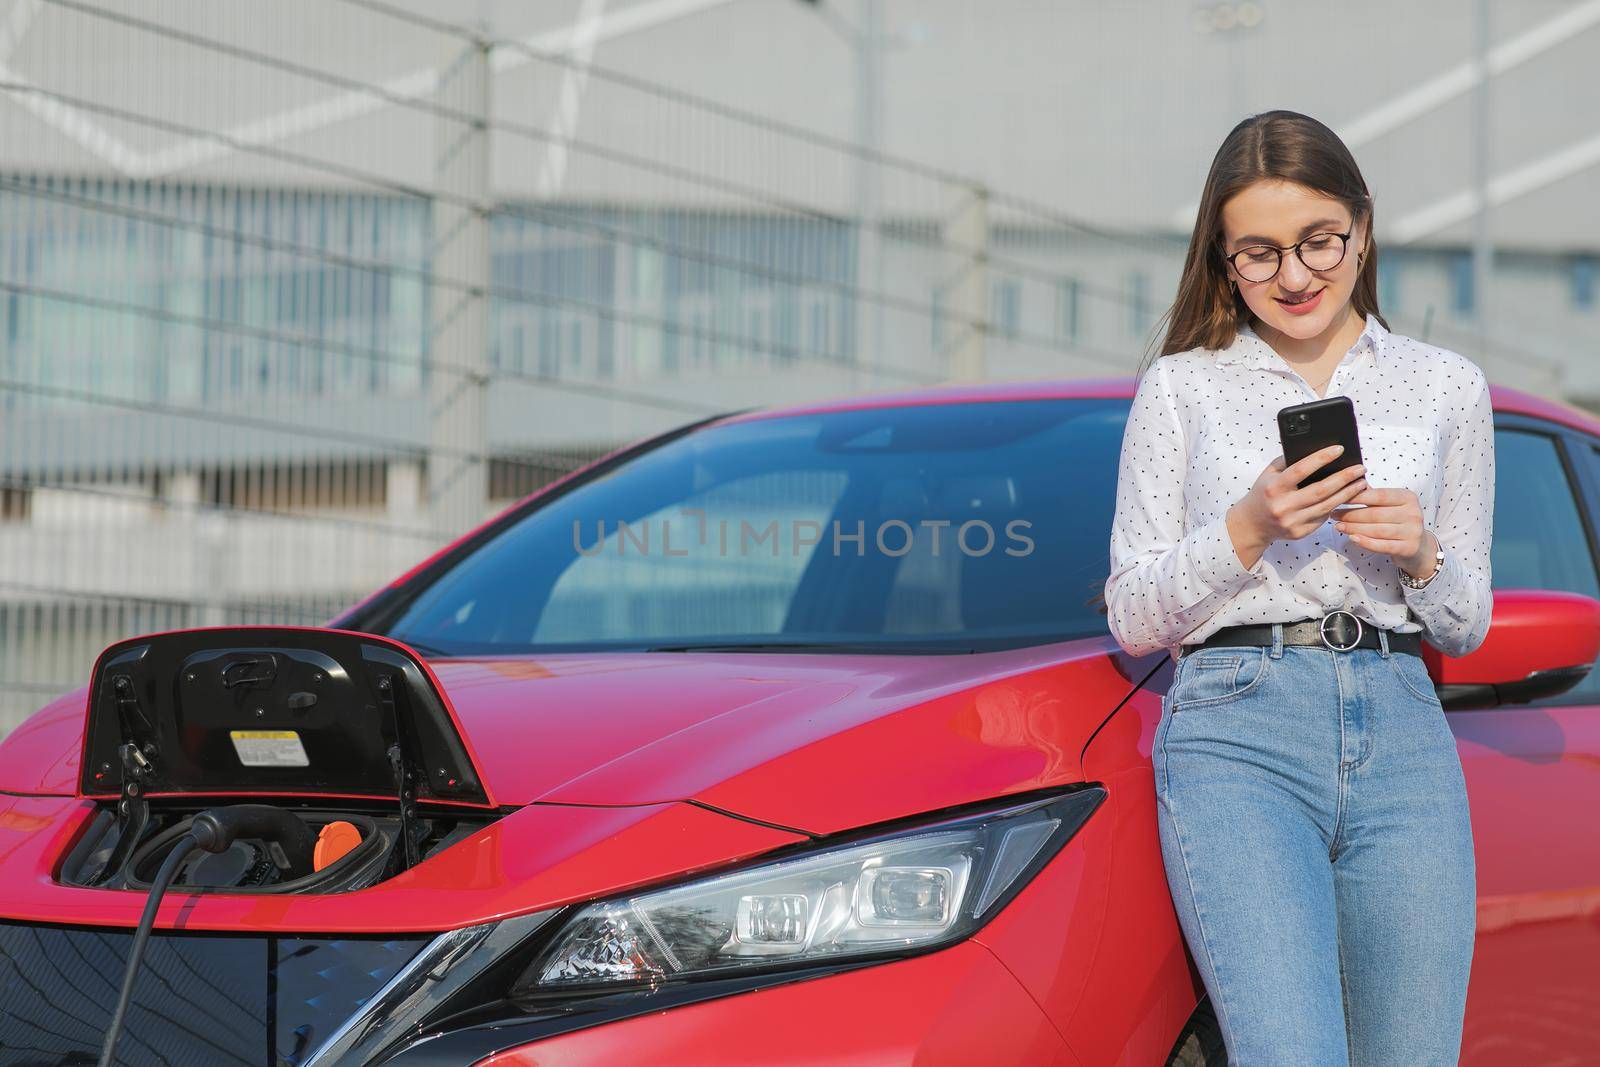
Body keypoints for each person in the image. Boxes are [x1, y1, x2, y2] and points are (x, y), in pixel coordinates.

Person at [1103, 109, 1493, 1066]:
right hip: (1239, 733)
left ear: (1361, 224)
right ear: (1222, 258)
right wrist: (1248, 527)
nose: (1295, 275)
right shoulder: (1182, 387)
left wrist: (1421, 553)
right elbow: (1131, 614)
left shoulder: (1448, 386)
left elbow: (1471, 617)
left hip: (1404, 729)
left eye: (1320, 241)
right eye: (1258, 253)